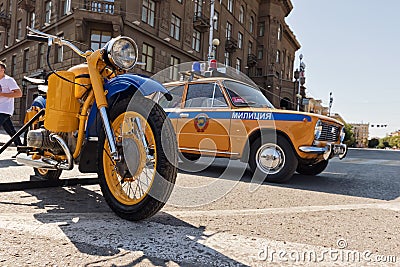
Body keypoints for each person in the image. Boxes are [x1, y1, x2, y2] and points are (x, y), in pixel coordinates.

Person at [0, 61, 23, 147]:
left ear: (3, 69)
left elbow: (19, 94)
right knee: (11, 131)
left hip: (5, 109)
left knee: (10, 130)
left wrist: (2, 94)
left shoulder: (9, 80)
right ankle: (21, 148)